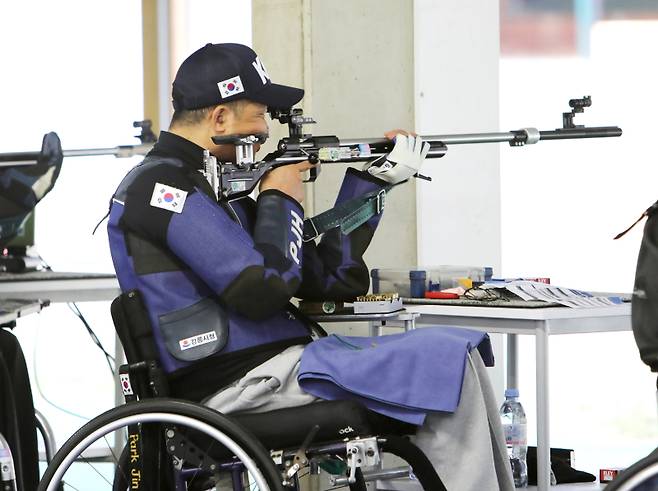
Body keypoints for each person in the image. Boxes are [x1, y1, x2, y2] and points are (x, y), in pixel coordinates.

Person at [108, 42, 513, 490]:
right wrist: (279, 199)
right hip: (239, 385)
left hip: (280, 368)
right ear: (219, 118)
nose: (266, 131)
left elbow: (329, 280)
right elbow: (261, 290)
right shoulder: (163, 188)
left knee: (456, 357)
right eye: (259, 115)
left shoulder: (211, 184)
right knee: (448, 360)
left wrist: (371, 182)